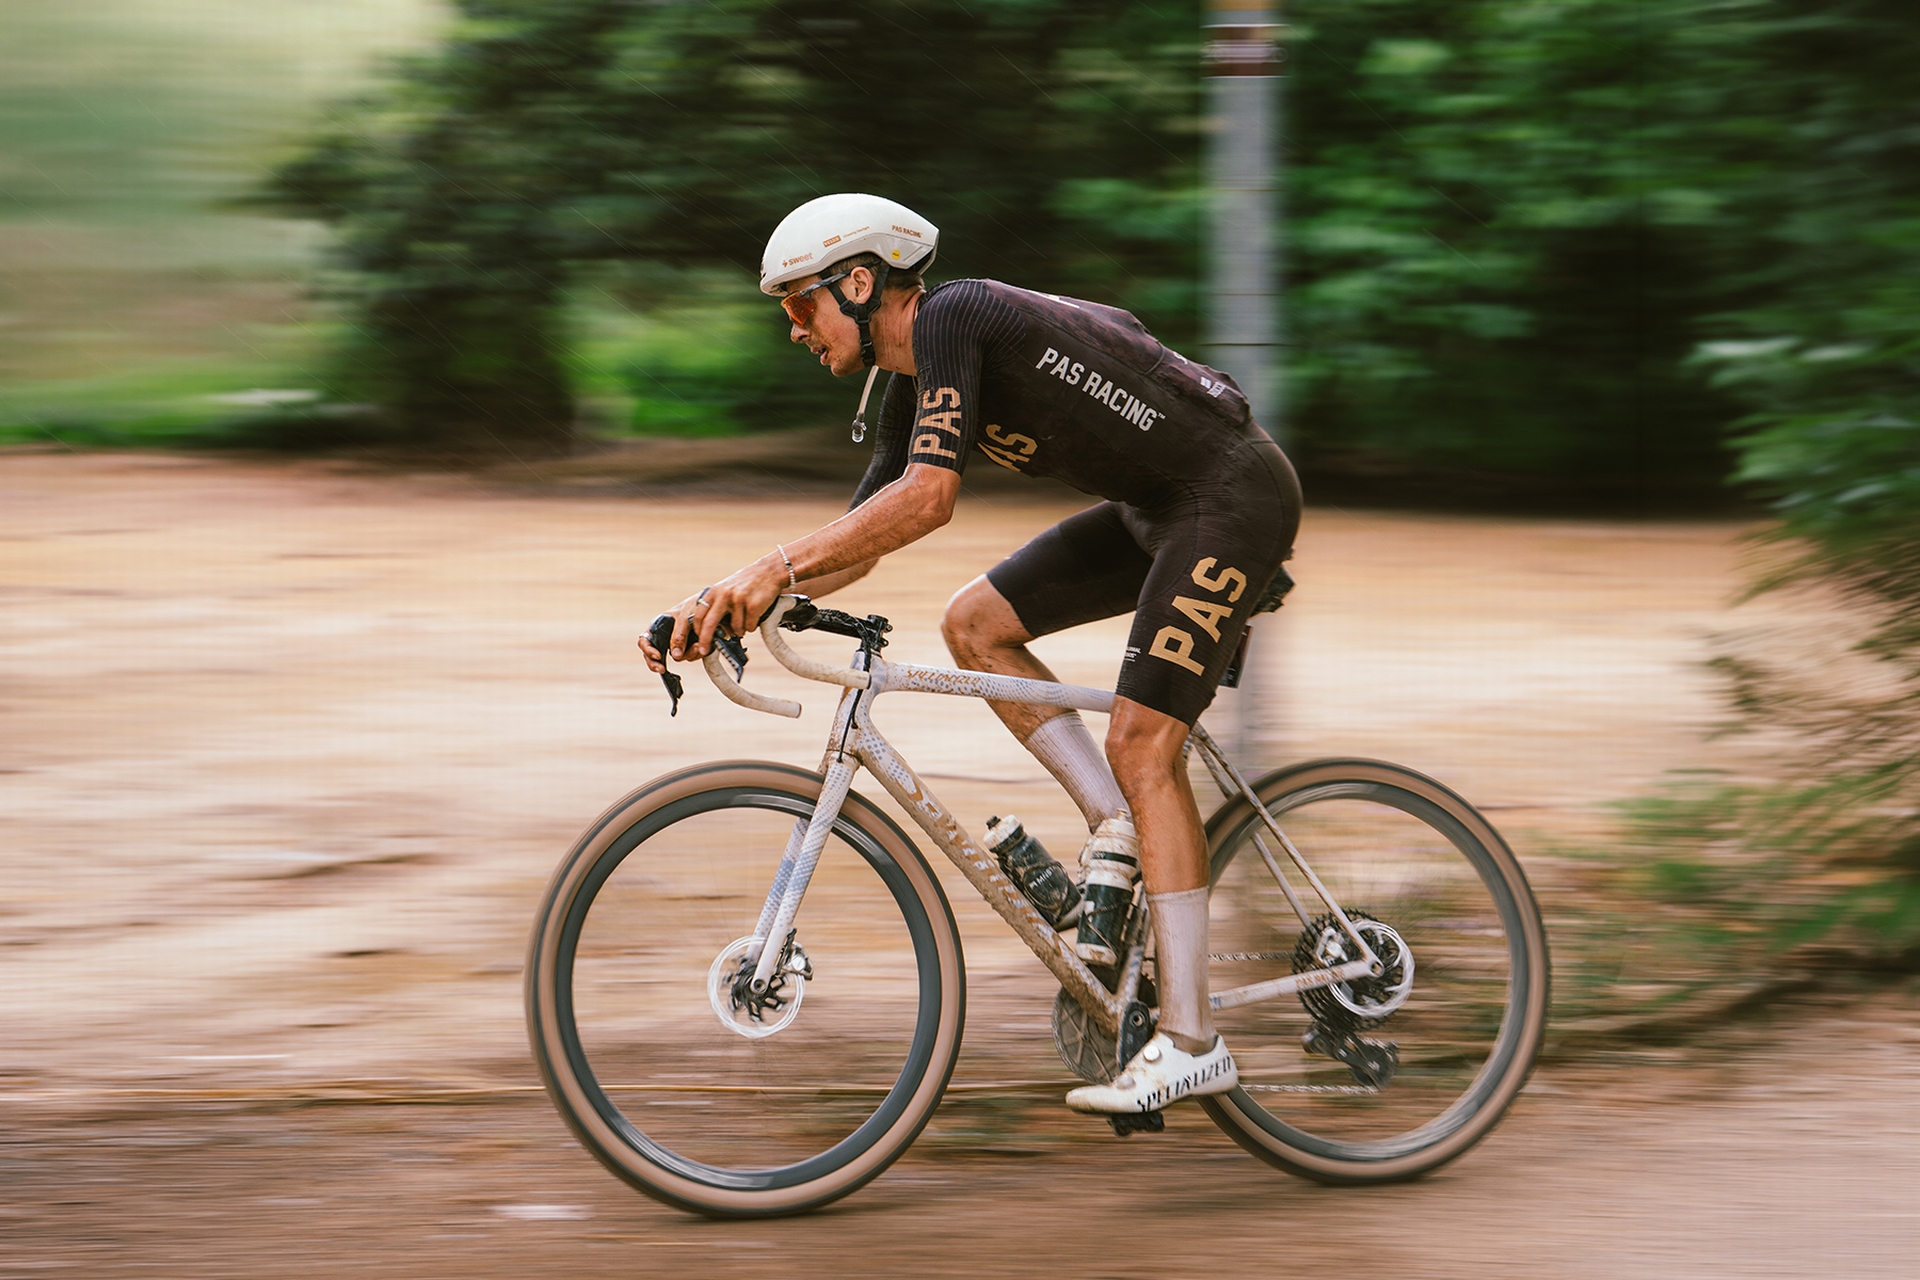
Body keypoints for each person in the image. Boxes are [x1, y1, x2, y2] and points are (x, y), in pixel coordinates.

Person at [639, 193, 1301, 1116]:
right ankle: (1122, 832)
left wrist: (771, 569)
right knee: (975, 623)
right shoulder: (913, 378)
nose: (793, 329)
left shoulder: (957, 315)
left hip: (1228, 497)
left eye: (799, 304)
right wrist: (721, 601)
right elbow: (862, 542)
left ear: (859, 283)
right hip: (1157, 509)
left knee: (1143, 743)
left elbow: (929, 498)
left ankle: (1192, 1041)